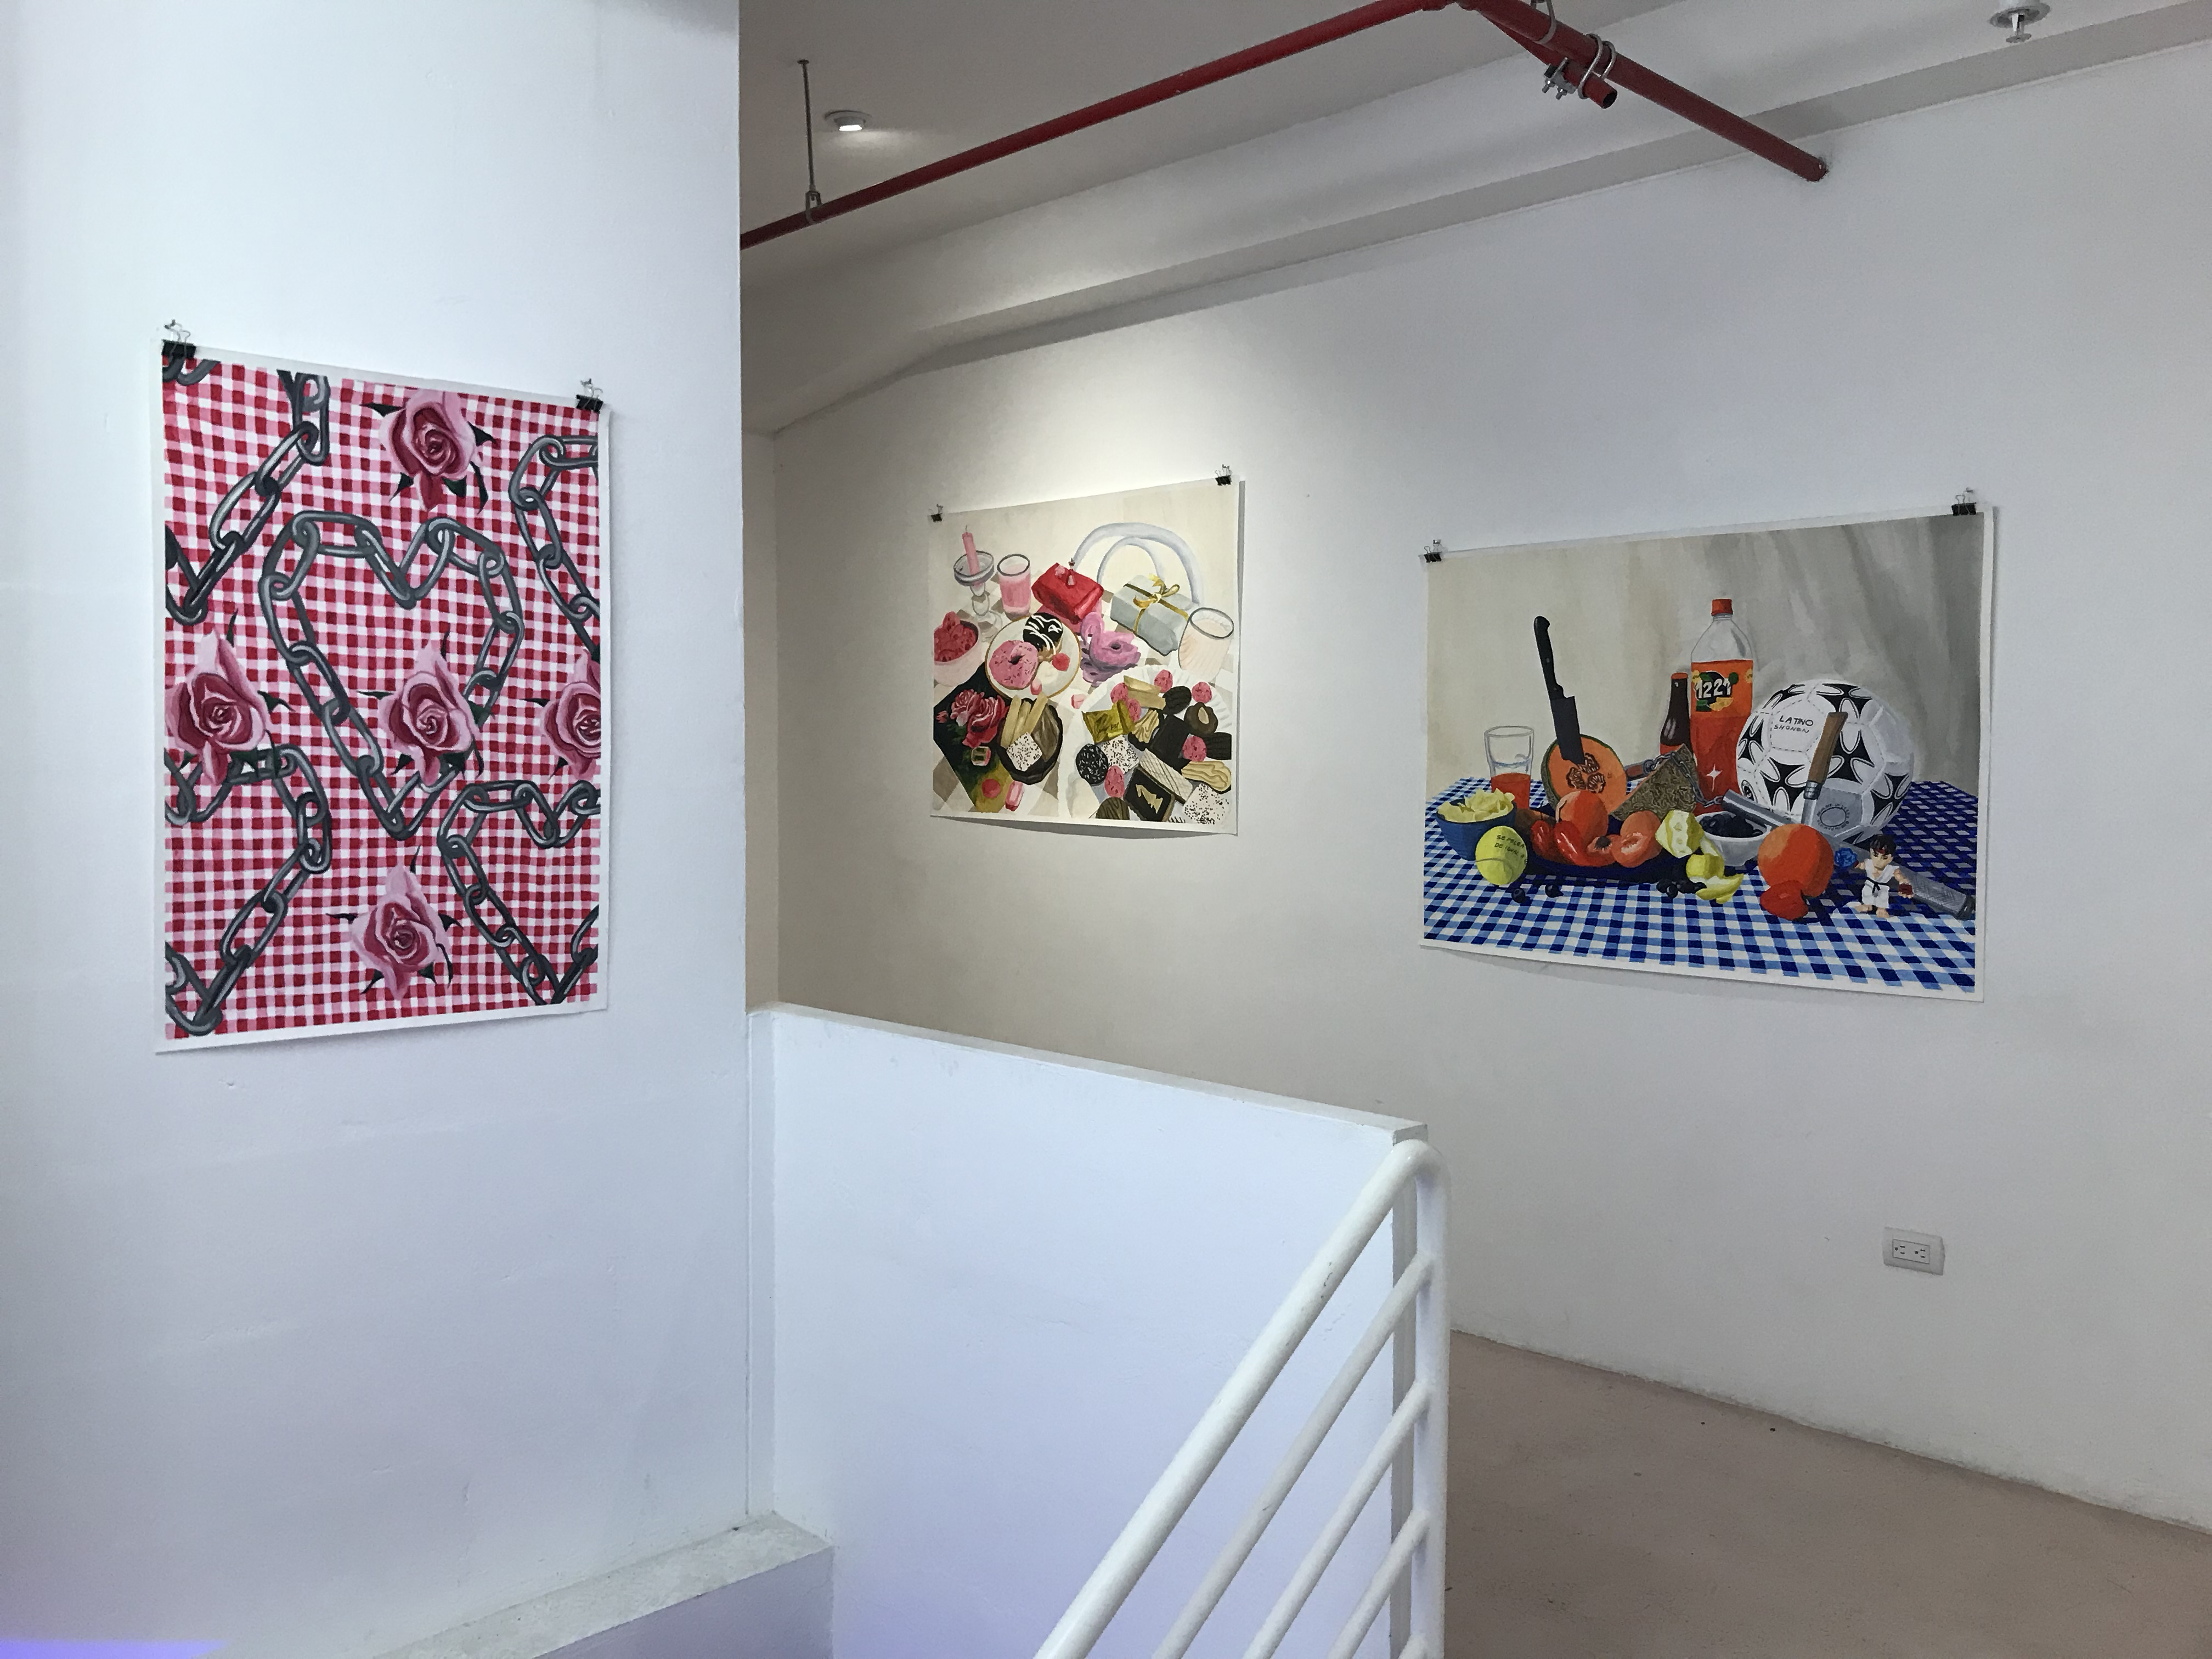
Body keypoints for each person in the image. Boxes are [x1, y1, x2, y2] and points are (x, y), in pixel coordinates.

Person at [1853, 832, 1913, 916]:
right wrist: (1853, 863)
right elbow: (1861, 866)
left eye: (1884, 858)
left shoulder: (1891, 869)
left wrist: (1903, 882)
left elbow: (1898, 875)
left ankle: (1881, 909)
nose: (1879, 860)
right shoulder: (1868, 863)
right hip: (1869, 884)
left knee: (1882, 897)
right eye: (1875, 855)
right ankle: (1867, 905)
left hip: (1882, 887)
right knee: (1866, 893)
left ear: (1891, 859)